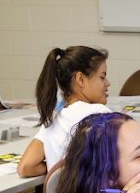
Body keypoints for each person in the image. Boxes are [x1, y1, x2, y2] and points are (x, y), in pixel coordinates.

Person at [17, 45, 111, 178]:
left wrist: (56, 168)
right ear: (81, 79)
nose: (107, 83)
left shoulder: (52, 120)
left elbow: (25, 167)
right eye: (102, 77)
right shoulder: (100, 113)